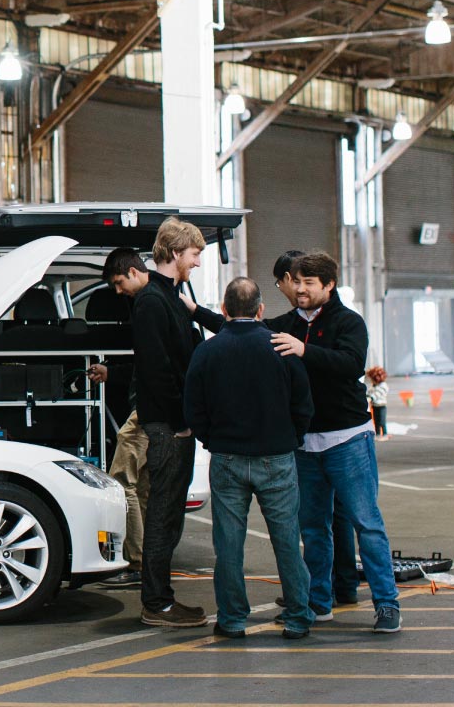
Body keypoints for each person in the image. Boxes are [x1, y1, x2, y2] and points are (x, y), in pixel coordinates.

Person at [269, 251, 401, 634]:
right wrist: (194, 309)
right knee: (312, 528)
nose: (300, 289)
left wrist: (303, 349)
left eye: (309, 283)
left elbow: (349, 363)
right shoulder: (289, 323)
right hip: (305, 444)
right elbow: (244, 327)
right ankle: (317, 603)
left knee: (367, 523)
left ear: (328, 285)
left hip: (348, 440)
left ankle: (387, 604)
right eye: (296, 282)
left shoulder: (349, 322)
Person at [184, 277, 315, 640]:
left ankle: (232, 620)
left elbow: (193, 407)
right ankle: (299, 618)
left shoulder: (208, 351)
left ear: (224, 311)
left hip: (227, 457)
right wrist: (292, 438)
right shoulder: (280, 347)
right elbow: (303, 403)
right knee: (286, 539)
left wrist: (211, 440)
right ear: (260, 310)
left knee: (228, 543)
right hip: (277, 456)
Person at [135, 217, 210, 627]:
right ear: (176, 252)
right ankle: (157, 603)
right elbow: (158, 370)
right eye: (195, 254)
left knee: (170, 514)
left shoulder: (170, 298)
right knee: (164, 514)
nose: (197, 262)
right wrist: (182, 421)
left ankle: (160, 599)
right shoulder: (153, 301)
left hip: (174, 424)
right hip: (168, 426)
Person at [90, 247, 151, 588]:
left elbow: (155, 364)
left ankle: (138, 562)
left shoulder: (149, 304)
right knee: (141, 487)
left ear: (132, 271)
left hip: (147, 410)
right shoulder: (155, 299)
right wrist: (113, 374)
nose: (116, 292)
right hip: (153, 409)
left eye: (117, 283)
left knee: (121, 482)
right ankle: (145, 562)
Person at [366, 366, 389, 441]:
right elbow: (369, 392)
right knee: (376, 421)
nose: (371, 381)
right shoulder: (374, 385)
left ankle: (385, 434)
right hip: (375, 406)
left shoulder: (383, 386)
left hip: (381, 406)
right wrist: (366, 395)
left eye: (372, 379)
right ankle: (378, 434)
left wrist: (370, 398)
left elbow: (377, 393)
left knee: (382, 421)